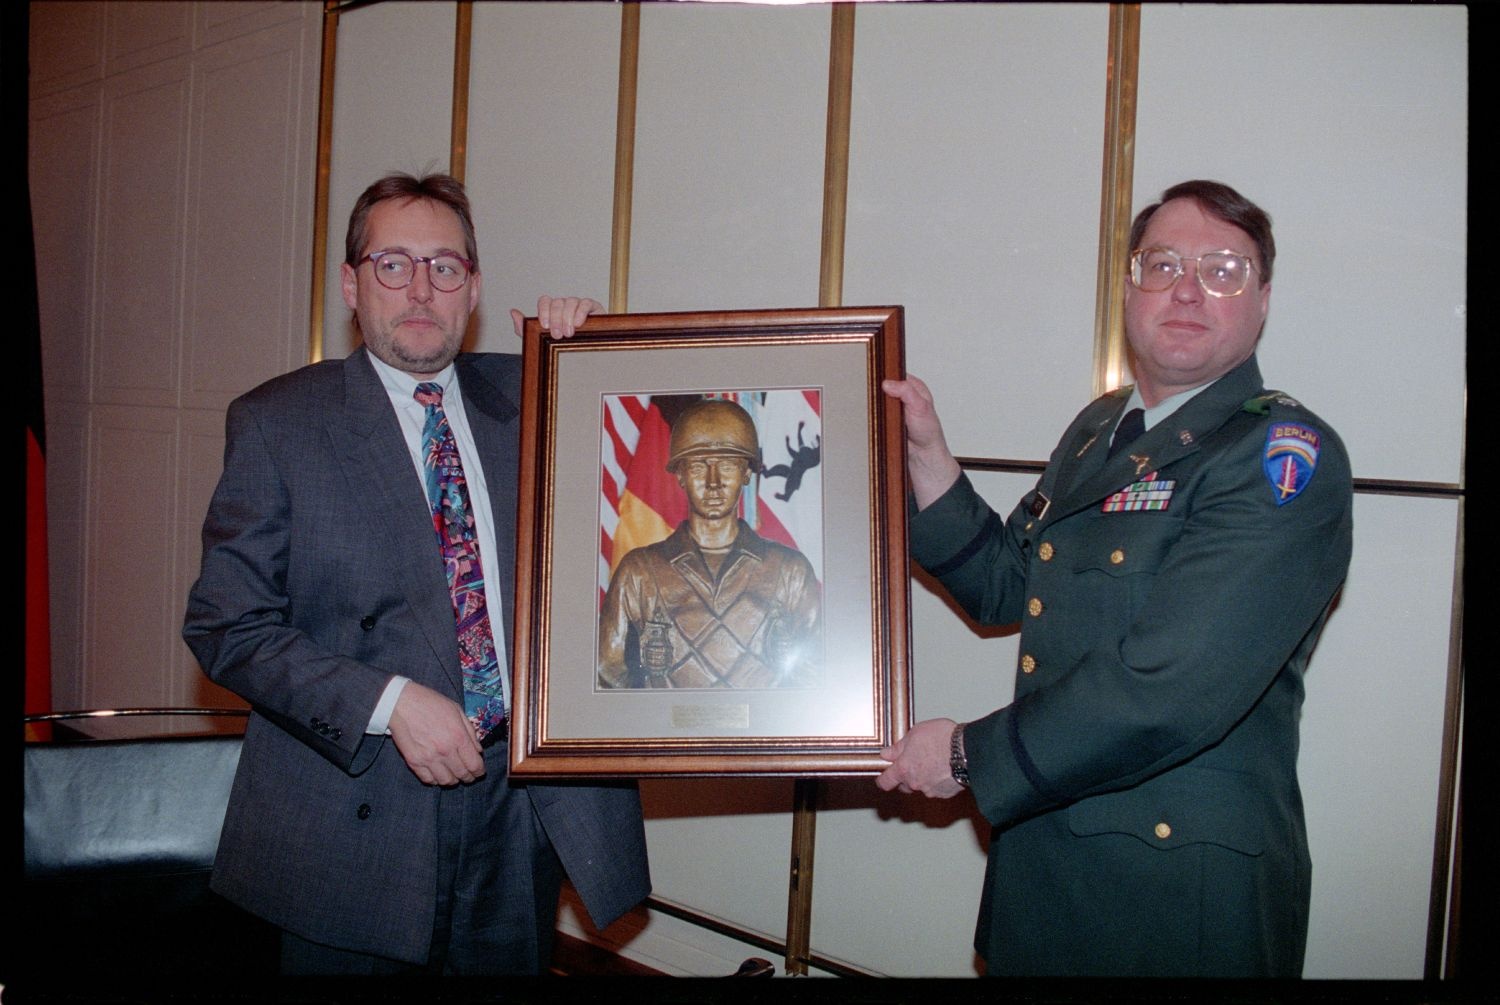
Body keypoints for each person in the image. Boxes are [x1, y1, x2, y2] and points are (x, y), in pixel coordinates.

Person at [877, 180, 1353, 977]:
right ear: (1130, 289)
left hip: (1173, 897)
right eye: (1162, 263)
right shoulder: (1104, 426)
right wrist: (929, 458)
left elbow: (1168, 687)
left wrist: (964, 755)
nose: (1189, 288)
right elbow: (1006, 582)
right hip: (1046, 865)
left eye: (1224, 269)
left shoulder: (1281, 459)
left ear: (1263, 299)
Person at [183, 172, 649, 975]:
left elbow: (655, 485)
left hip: (518, 808)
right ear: (351, 285)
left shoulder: (540, 391)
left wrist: (603, 355)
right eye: (392, 264)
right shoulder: (278, 422)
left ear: (472, 288)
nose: (421, 289)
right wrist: (388, 702)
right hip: (354, 812)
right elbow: (227, 625)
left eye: (446, 266)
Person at [598, 398, 821, 689]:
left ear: (746, 473)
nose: (714, 482)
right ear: (679, 474)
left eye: (727, 466)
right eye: (699, 467)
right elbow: (607, 677)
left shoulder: (790, 571)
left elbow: (814, 677)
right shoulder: (639, 572)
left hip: (766, 734)